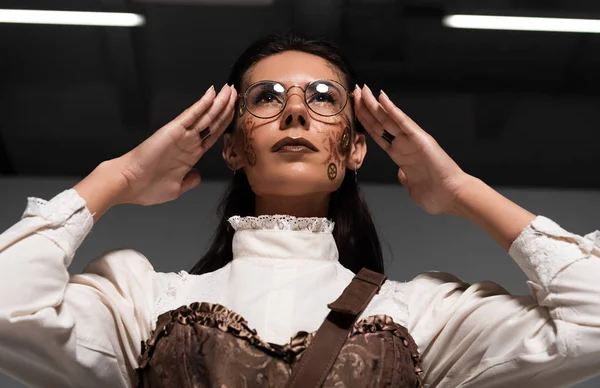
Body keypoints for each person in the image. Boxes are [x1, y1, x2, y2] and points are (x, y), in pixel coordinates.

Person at [0, 33, 599, 388]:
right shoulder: (141, 301)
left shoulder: (423, 314)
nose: (294, 114)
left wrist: (463, 190)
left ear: (356, 145)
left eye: (322, 99)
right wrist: (118, 176)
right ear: (230, 146)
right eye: (265, 98)